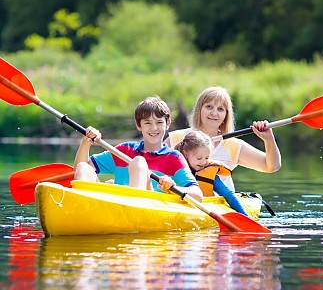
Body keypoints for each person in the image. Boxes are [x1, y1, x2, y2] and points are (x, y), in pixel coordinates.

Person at [74, 96, 203, 201]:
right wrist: (86, 142)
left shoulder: (174, 158)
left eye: (159, 123)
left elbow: (198, 195)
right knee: (83, 167)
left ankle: (132, 206)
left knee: (139, 162)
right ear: (138, 125)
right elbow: (80, 168)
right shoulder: (124, 150)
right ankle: (83, 208)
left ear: (167, 124)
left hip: (147, 208)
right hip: (115, 208)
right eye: (147, 123)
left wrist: (173, 187)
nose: (154, 128)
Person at [165, 86, 281, 191]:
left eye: (220, 109)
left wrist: (269, 139)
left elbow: (272, 166)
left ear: (226, 115)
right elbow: (151, 160)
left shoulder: (233, 146)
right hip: (181, 199)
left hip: (219, 204)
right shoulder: (177, 138)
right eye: (209, 107)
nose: (214, 113)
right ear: (199, 109)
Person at [174, 130, 249, 216]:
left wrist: (245, 215)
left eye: (207, 158)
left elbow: (228, 195)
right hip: (178, 206)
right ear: (185, 154)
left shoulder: (210, 174)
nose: (203, 162)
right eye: (199, 158)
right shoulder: (176, 169)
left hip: (203, 209)